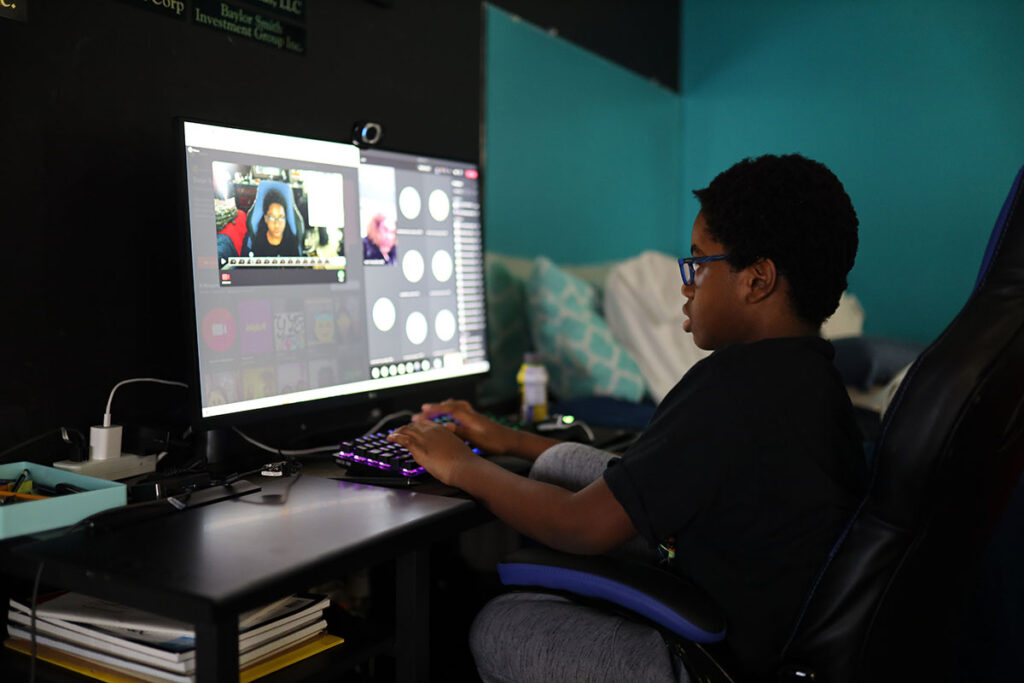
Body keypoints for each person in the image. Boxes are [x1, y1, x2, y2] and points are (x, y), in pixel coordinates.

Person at [388, 154, 867, 681]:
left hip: (720, 664)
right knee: (568, 466)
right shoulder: (809, 378)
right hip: (754, 614)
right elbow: (650, 474)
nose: (687, 284)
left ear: (757, 280)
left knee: (501, 625)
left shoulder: (731, 387)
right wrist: (509, 441)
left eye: (699, 262)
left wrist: (460, 466)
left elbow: (580, 527)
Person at [250, 188, 300, 257]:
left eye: (281, 217)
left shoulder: (292, 243)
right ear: (265, 218)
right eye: (272, 218)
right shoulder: (258, 243)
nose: (277, 224)